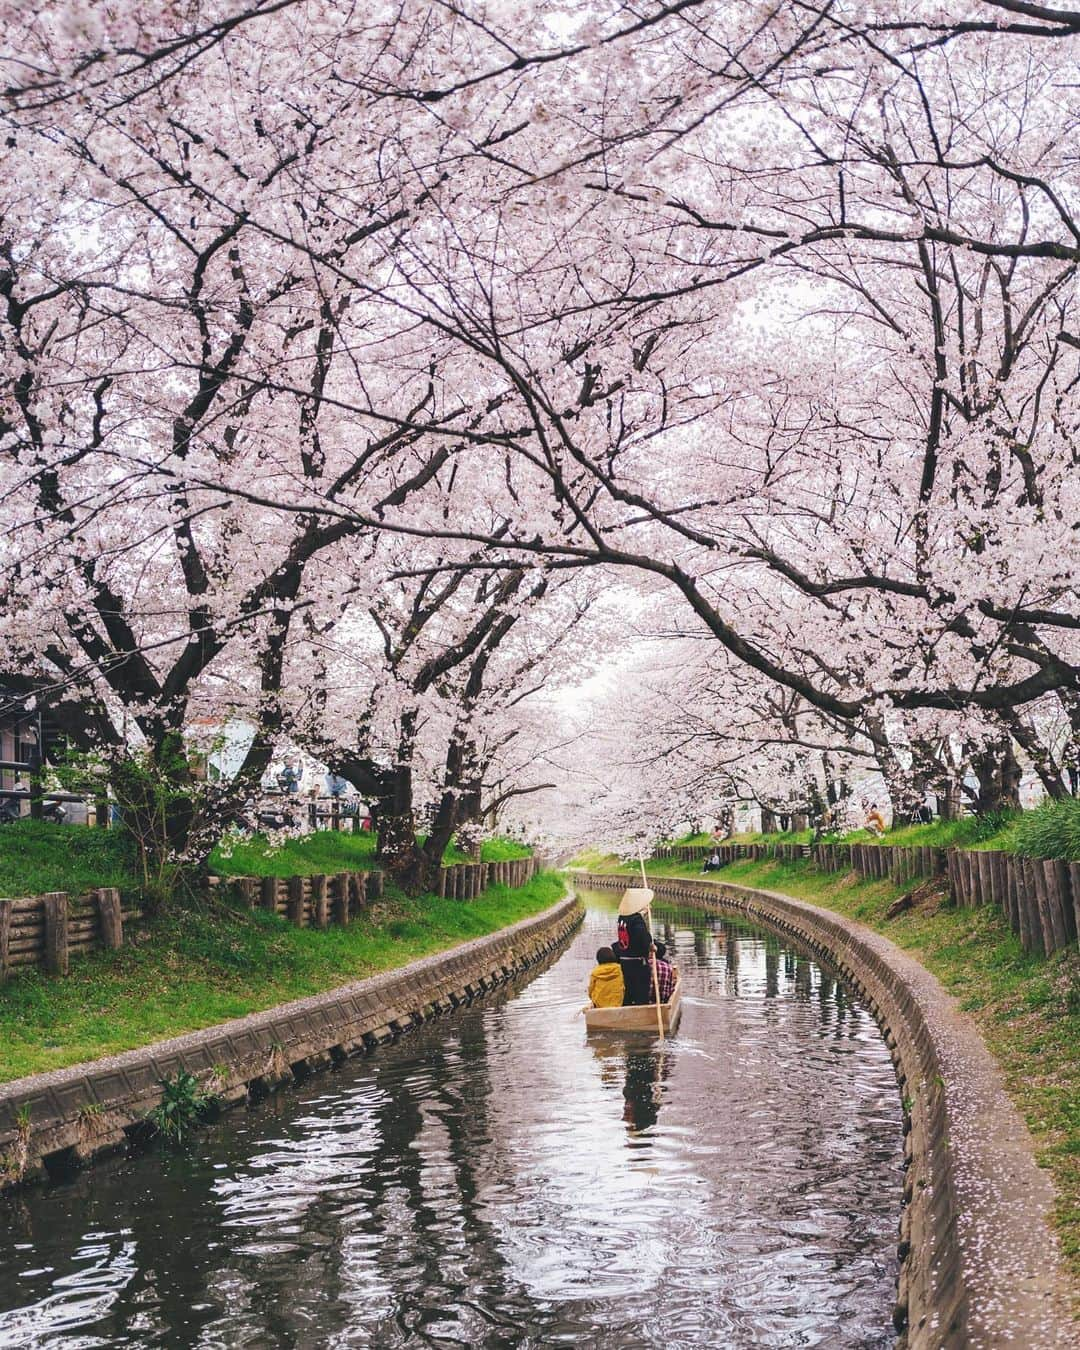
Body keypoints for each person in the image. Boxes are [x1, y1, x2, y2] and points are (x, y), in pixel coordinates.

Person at [616, 886, 655, 1006]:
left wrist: (643, 915)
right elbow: (643, 939)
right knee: (641, 994)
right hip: (638, 963)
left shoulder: (622, 918)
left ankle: (626, 1014)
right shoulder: (637, 921)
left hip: (625, 962)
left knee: (629, 992)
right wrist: (651, 946)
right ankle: (641, 1016)